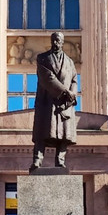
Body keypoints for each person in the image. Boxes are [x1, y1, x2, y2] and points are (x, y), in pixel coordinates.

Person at [30, 31, 78, 169]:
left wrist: (73, 94)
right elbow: (47, 78)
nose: (56, 43)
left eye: (58, 40)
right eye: (54, 40)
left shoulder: (69, 62)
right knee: (42, 133)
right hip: (47, 102)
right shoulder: (43, 58)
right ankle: (37, 160)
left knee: (63, 135)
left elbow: (74, 80)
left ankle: (60, 161)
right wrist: (65, 91)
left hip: (64, 104)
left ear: (63, 42)